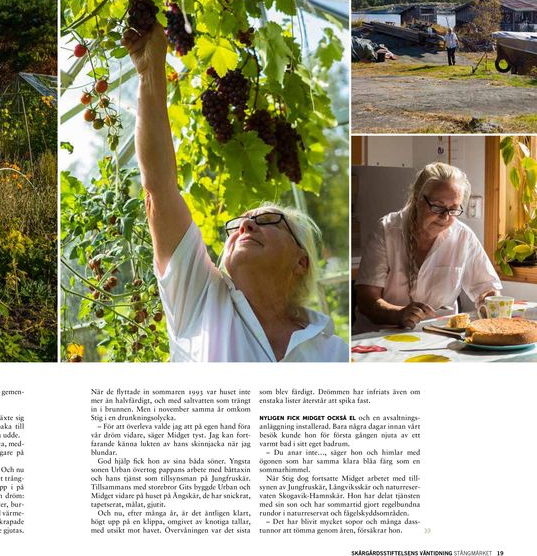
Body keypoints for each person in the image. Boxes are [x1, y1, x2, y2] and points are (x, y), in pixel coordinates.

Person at [124, 24, 346, 363]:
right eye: (238, 224)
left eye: (268, 220)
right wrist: (150, 72)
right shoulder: (199, 296)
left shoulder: (333, 353)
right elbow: (159, 188)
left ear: (301, 261)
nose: (245, 226)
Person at [355, 162, 500, 332]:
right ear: (417, 198)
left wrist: (489, 301)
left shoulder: (463, 236)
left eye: (453, 209)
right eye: (437, 206)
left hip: (439, 336)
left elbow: (487, 288)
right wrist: (398, 315)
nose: (445, 217)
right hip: (379, 337)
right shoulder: (386, 231)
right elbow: (367, 300)